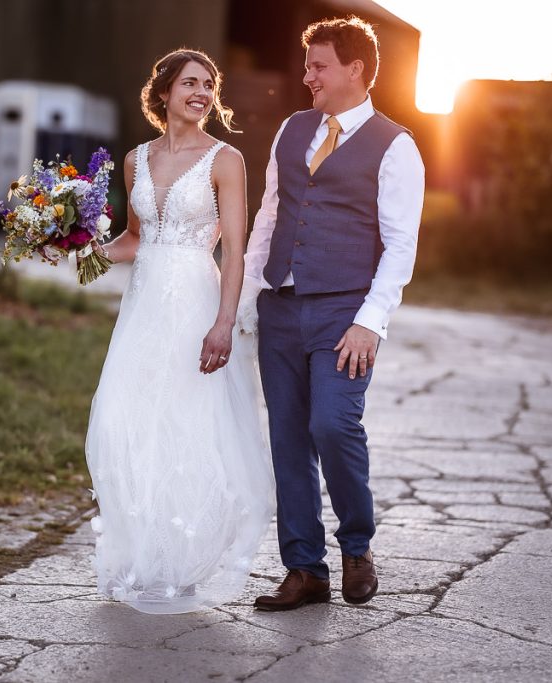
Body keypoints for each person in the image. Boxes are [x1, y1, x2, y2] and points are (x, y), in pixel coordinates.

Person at [239, 16, 425, 611]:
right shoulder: (292, 130)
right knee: (288, 439)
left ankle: (356, 546)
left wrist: (371, 321)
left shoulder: (396, 146)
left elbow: (400, 245)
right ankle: (305, 569)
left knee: (332, 424)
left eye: (318, 66)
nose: (307, 75)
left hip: (346, 311)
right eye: (307, 64)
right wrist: (243, 301)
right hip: (280, 307)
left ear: (356, 70)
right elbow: (269, 217)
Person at [85, 48, 274, 614]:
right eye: (190, 82)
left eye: (209, 84)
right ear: (163, 92)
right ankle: (146, 554)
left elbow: (235, 252)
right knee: (130, 420)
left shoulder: (226, 159)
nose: (202, 92)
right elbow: (135, 239)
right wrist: (79, 247)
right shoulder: (135, 159)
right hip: (143, 312)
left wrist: (224, 322)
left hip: (196, 303)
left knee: (190, 428)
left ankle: (183, 563)